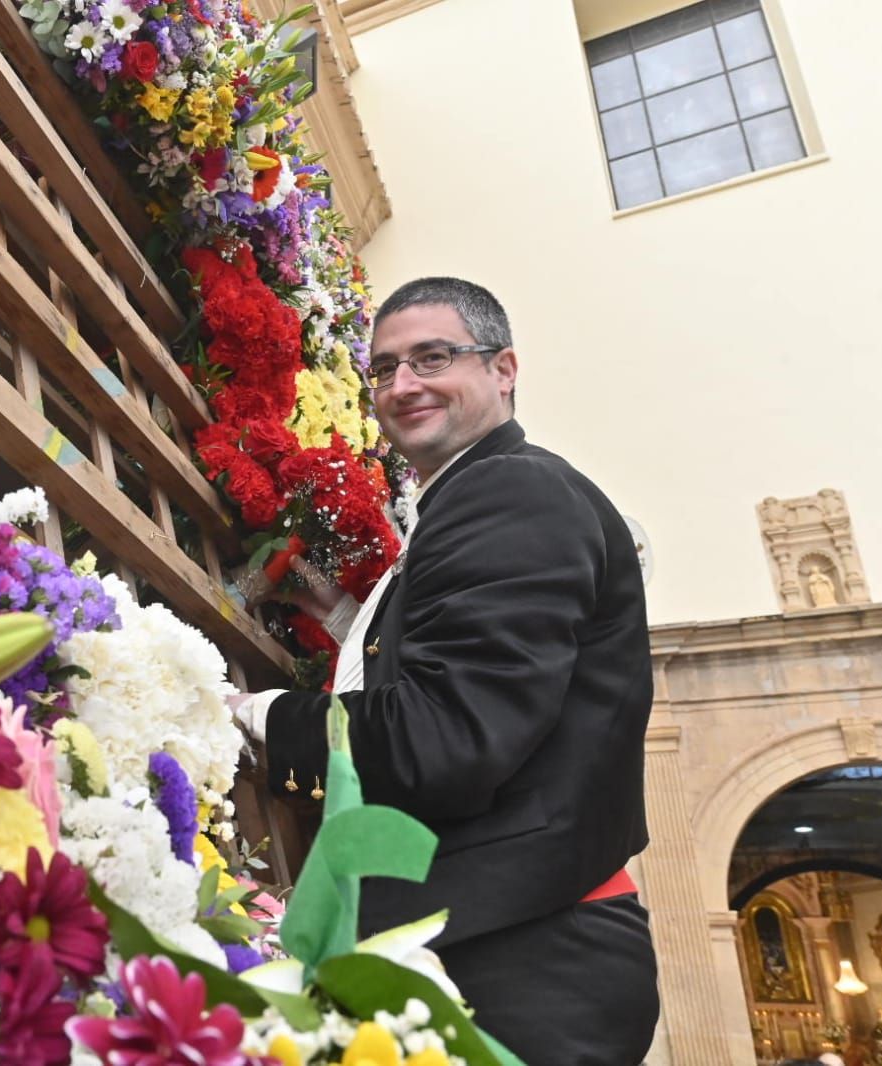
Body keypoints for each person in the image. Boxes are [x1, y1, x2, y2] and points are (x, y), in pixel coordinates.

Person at [230, 277, 658, 1064]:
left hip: (521, 957)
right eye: (384, 369)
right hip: (514, 944)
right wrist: (338, 617)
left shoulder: (508, 491)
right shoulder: (471, 499)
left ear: (503, 369)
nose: (403, 385)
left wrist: (254, 716)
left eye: (433, 358)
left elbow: (444, 738)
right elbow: (475, 677)